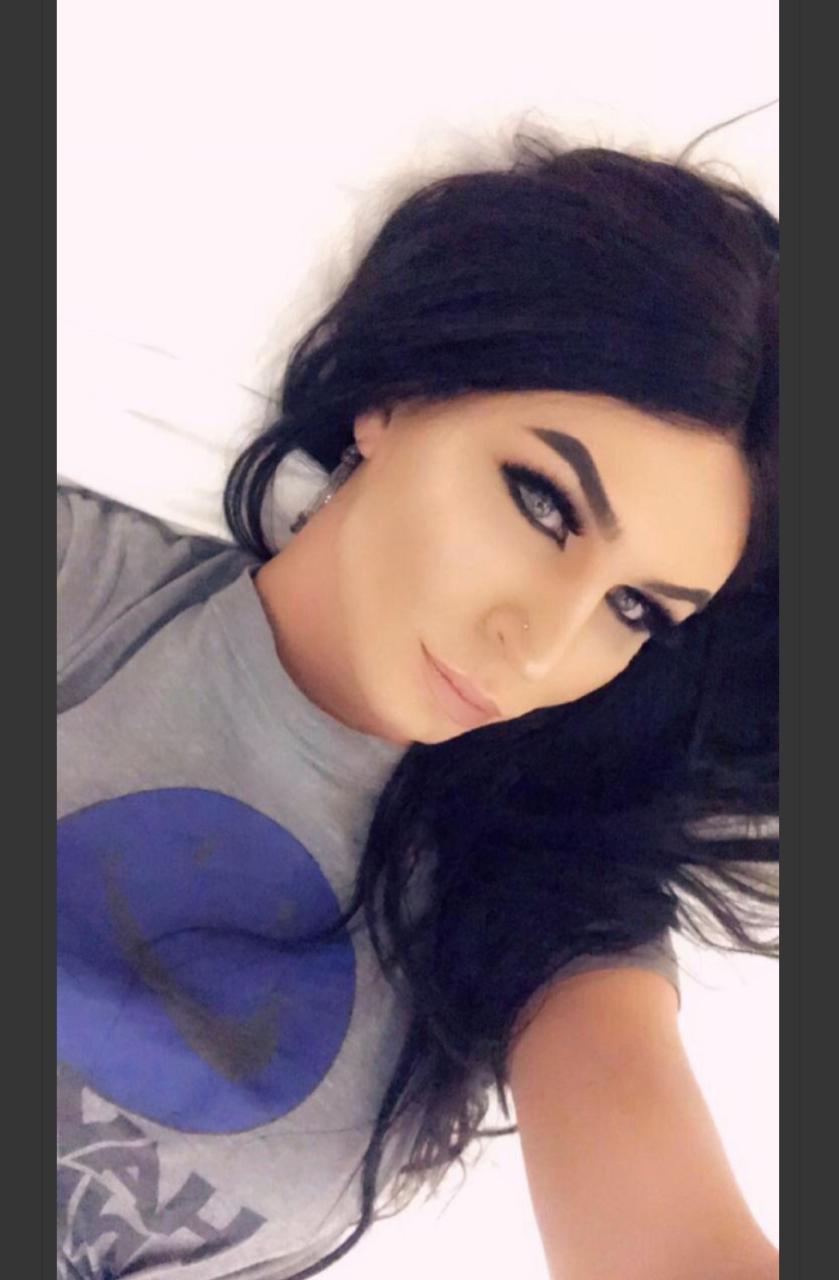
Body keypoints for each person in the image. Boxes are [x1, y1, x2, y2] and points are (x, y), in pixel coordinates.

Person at [57, 126, 779, 1280]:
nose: (538, 643)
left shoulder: (546, 897)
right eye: (541, 504)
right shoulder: (79, 585)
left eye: (633, 607)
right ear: (396, 396)